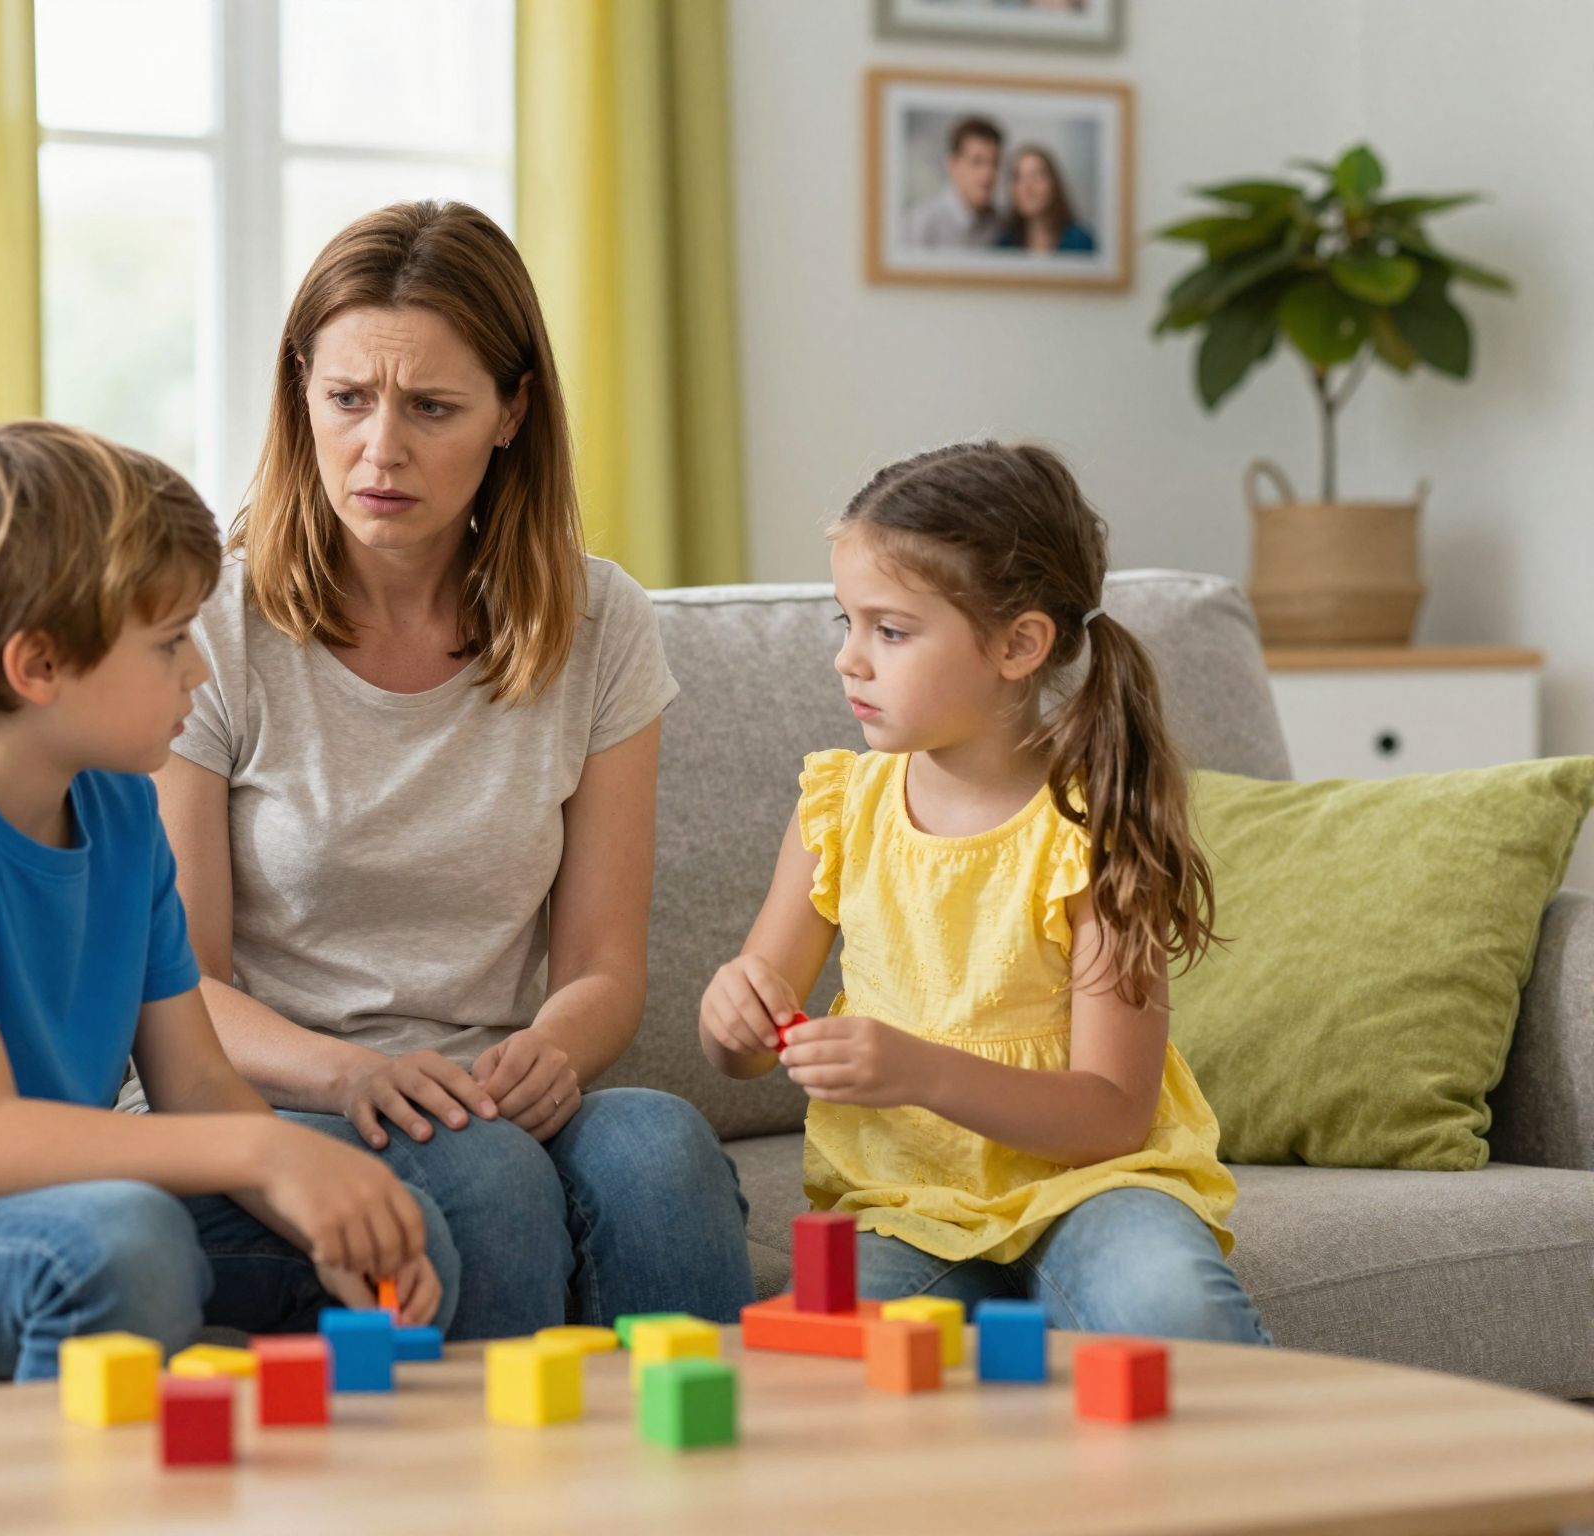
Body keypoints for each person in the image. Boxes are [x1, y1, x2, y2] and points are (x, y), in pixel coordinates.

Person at [0, 420, 457, 1383]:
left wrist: (309, 1199)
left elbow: (196, 1084)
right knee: (128, 1242)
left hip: (76, 1196)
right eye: (168, 644)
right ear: (37, 666)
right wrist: (262, 1151)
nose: (200, 670)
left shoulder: (120, 812)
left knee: (398, 1238)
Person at [154, 200, 755, 1341]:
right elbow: (183, 992)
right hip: (271, 1091)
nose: (380, 449)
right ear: (299, 395)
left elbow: (599, 968)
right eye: (346, 399)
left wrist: (552, 1050)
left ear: (510, 412)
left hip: (479, 1091)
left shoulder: (598, 621)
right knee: (483, 1178)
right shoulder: (208, 628)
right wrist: (345, 1076)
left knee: (660, 1149)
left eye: (431, 408)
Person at [697, 441, 1269, 1345]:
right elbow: (747, 1045)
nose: (850, 660)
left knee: (1174, 1310)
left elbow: (1113, 1115)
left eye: (888, 631)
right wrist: (732, 1018)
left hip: (1091, 1189)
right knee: (816, 1363)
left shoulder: (1095, 829)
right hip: (897, 1206)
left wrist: (919, 1070)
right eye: (843, 624)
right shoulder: (838, 809)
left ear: (1019, 644)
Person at [901, 116, 1005, 250]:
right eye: (977, 162)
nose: (988, 173)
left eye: (994, 163)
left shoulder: (1000, 226)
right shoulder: (920, 225)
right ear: (953, 165)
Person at [997, 145, 1098, 255]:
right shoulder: (1005, 244)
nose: (1026, 187)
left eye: (1036, 176)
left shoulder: (1081, 243)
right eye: (1018, 177)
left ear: (1054, 184)